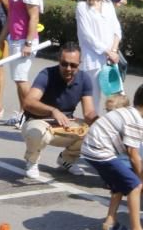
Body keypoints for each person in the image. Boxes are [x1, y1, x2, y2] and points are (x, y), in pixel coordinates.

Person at [81, 81, 143, 230]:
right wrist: (141, 182)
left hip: (92, 150)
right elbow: (133, 155)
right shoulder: (135, 121)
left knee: (123, 180)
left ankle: (110, 223)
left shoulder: (127, 113)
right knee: (133, 186)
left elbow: (133, 158)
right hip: (99, 152)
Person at [21, 42, 98, 178]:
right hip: (40, 121)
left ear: (79, 64)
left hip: (65, 124)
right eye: (64, 63)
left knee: (93, 131)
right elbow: (28, 102)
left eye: (73, 65)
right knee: (36, 133)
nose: (68, 68)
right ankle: (32, 161)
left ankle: (66, 160)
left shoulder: (84, 79)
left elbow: (89, 113)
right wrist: (52, 111)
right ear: (59, 61)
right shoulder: (46, 74)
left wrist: (103, 121)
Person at [0, 0, 43, 122]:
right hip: (15, 39)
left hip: (25, 41)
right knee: (18, 79)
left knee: (22, 79)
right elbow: (11, 18)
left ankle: (33, 115)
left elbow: (34, 16)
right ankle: (23, 113)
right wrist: (0, 39)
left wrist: (28, 43)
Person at [75, 0, 122, 111]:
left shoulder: (108, 4)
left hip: (110, 59)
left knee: (117, 99)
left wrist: (113, 50)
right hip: (92, 60)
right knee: (93, 101)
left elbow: (117, 29)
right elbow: (87, 35)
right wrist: (107, 51)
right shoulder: (82, 7)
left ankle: (115, 131)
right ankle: (92, 131)